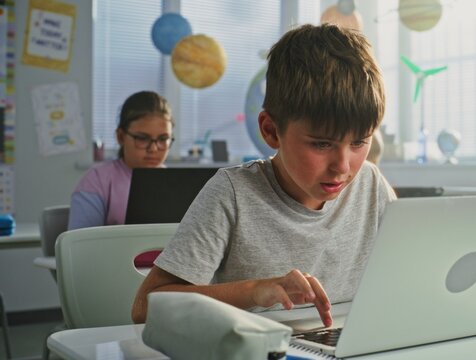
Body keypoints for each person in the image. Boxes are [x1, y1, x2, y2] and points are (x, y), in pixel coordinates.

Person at [132, 24, 396, 326]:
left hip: (347, 339)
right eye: (322, 144)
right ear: (270, 131)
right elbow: (144, 307)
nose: (344, 166)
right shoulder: (233, 193)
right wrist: (253, 291)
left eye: (359, 142)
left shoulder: (371, 184)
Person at [68, 91, 174, 230]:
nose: (153, 149)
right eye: (142, 138)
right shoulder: (96, 182)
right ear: (121, 137)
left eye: (162, 139)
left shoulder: (173, 183)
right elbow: (79, 246)